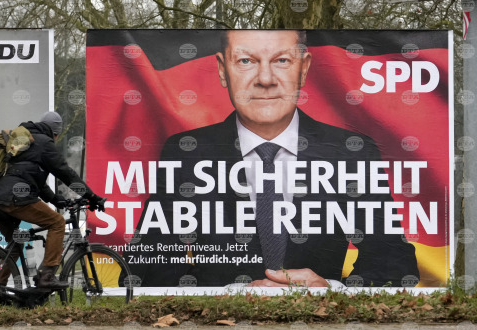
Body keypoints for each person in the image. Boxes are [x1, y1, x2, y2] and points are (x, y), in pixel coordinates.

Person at [131, 29, 419, 288]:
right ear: (222, 70)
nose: (265, 79)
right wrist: (225, 297)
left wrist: (330, 292)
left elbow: (395, 267)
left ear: (303, 69)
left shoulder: (351, 153)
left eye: (282, 60)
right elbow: (144, 271)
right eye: (246, 61)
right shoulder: (186, 153)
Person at [0, 111, 104, 289]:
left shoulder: (22, 140)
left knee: (16, 241)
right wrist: (92, 197)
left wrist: (54, 199)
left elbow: (30, 176)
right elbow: (66, 173)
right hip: (14, 198)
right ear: (56, 133)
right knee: (57, 222)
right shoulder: (45, 143)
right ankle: (47, 275)